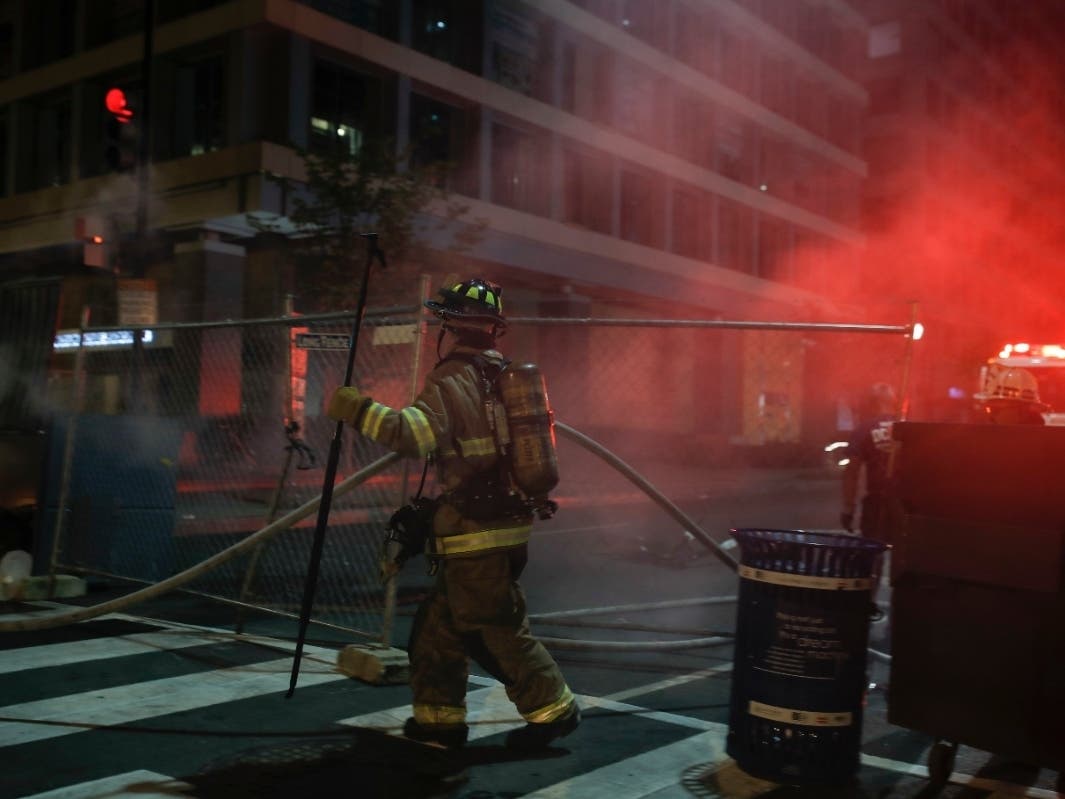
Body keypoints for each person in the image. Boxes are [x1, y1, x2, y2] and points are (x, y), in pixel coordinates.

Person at [326, 276, 580, 751]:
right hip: (503, 526)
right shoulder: (504, 374)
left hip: (476, 532)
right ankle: (439, 722)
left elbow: (412, 436)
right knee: (438, 630)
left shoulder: (451, 378)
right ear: (492, 329)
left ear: (448, 324)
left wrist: (357, 409)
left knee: (498, 631)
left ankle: (554, 712)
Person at [840, 382, 898, 543]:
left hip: (876, 503)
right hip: (904, 505)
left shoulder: (864, 429)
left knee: (872, 552)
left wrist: (848, 509)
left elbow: (852, 471)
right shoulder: (908, 427)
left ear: (873, 403)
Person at [973, 365, 1048, 425]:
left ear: (1023, 411)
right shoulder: (988, 436)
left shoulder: (1037, 440)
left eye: (995, 409)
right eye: (989, 409)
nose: (991, 415)